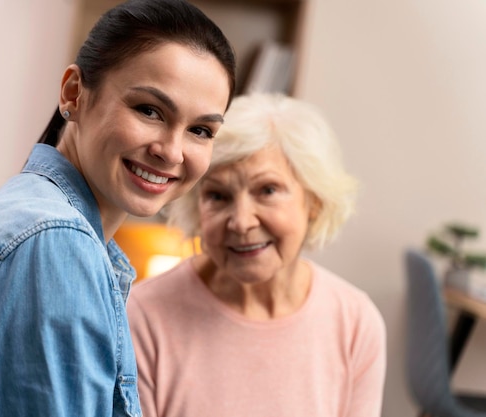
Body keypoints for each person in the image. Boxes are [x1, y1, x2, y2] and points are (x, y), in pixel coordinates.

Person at [0, 1, 236, 416]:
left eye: (200, 130)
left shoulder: (42, 221)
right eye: (149, 110)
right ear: (73, 93)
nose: (171, 151)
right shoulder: (53, 242)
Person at [127, 92, 387, 417]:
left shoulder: (356, 322)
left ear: (314, 203)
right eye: (218, 196)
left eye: (267, 190)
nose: (241, 222)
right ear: (197, 208)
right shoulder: (143, 316)